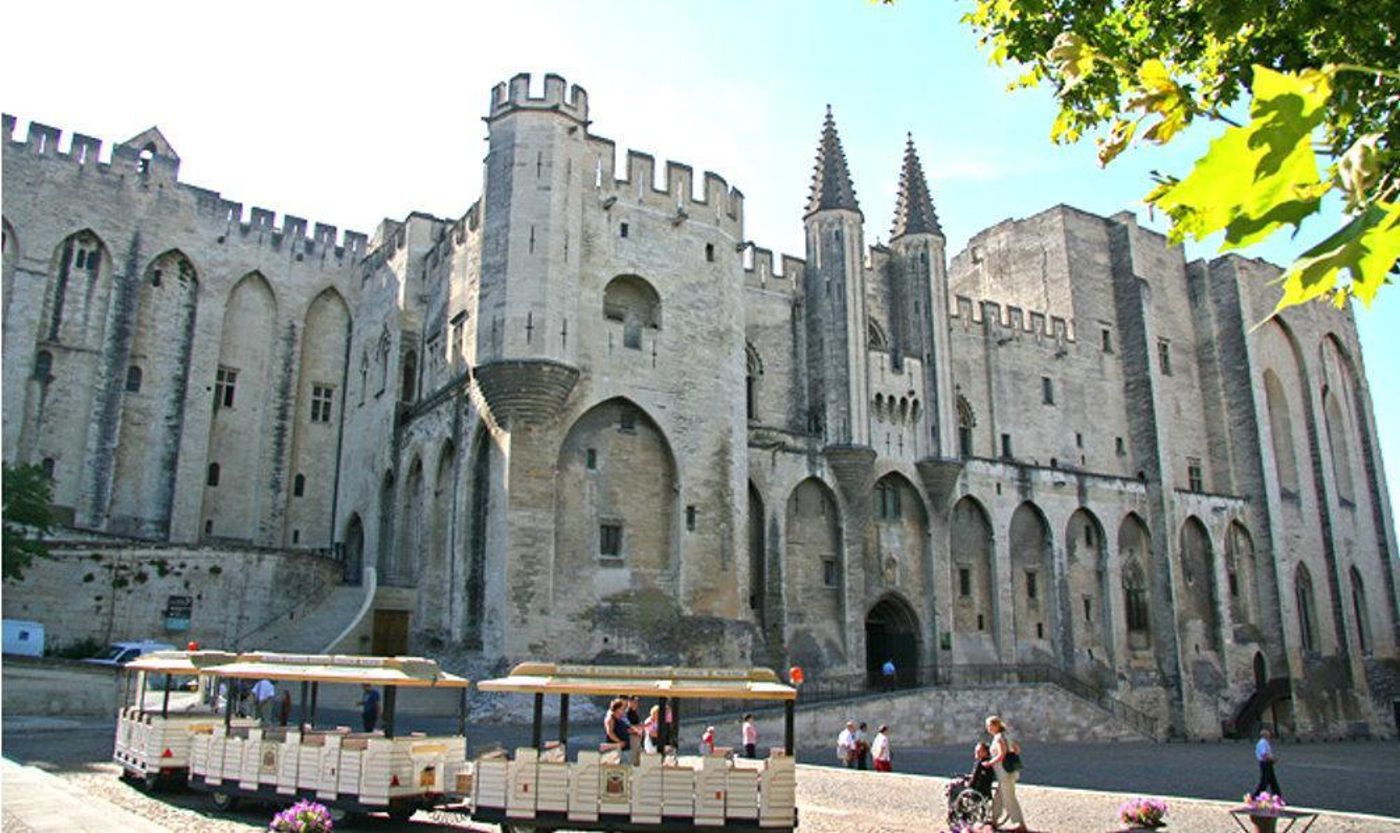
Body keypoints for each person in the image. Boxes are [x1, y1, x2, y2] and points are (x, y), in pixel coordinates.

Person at [984, 715, 1028, 833]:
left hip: (1004, 772)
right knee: (999, 797)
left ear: (995, 726)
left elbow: (1001, 754)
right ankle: (994, 819)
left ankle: (1019, 824)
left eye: (989, 726)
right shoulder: (1006, 735)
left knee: (1009, 799)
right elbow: (1017, 749)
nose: (988, 728)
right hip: (1008, 772)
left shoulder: (999, 738)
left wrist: (989, 763)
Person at [1254, 728, 1283, 798]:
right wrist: (1272, 759)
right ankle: (1256, 795)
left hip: (1267, 763)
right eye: (1268, 734)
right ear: (1265, 735)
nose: (1269, 735)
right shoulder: (1262, 743)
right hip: (1265, 763)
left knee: (1272, 780)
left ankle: (1277, 795)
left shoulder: (1265, 742)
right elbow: (1264, 754)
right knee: (1265, 781)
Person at [626, 696, 644, 765]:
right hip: (631, 738)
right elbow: (627, 728)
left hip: (637, 738)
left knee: (637, 759)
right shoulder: (627, 713)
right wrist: (638, 727)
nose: (636, 704)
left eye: (636, 702)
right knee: (632, 759)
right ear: (629, 702)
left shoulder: (635, 712)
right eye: (634, 702)